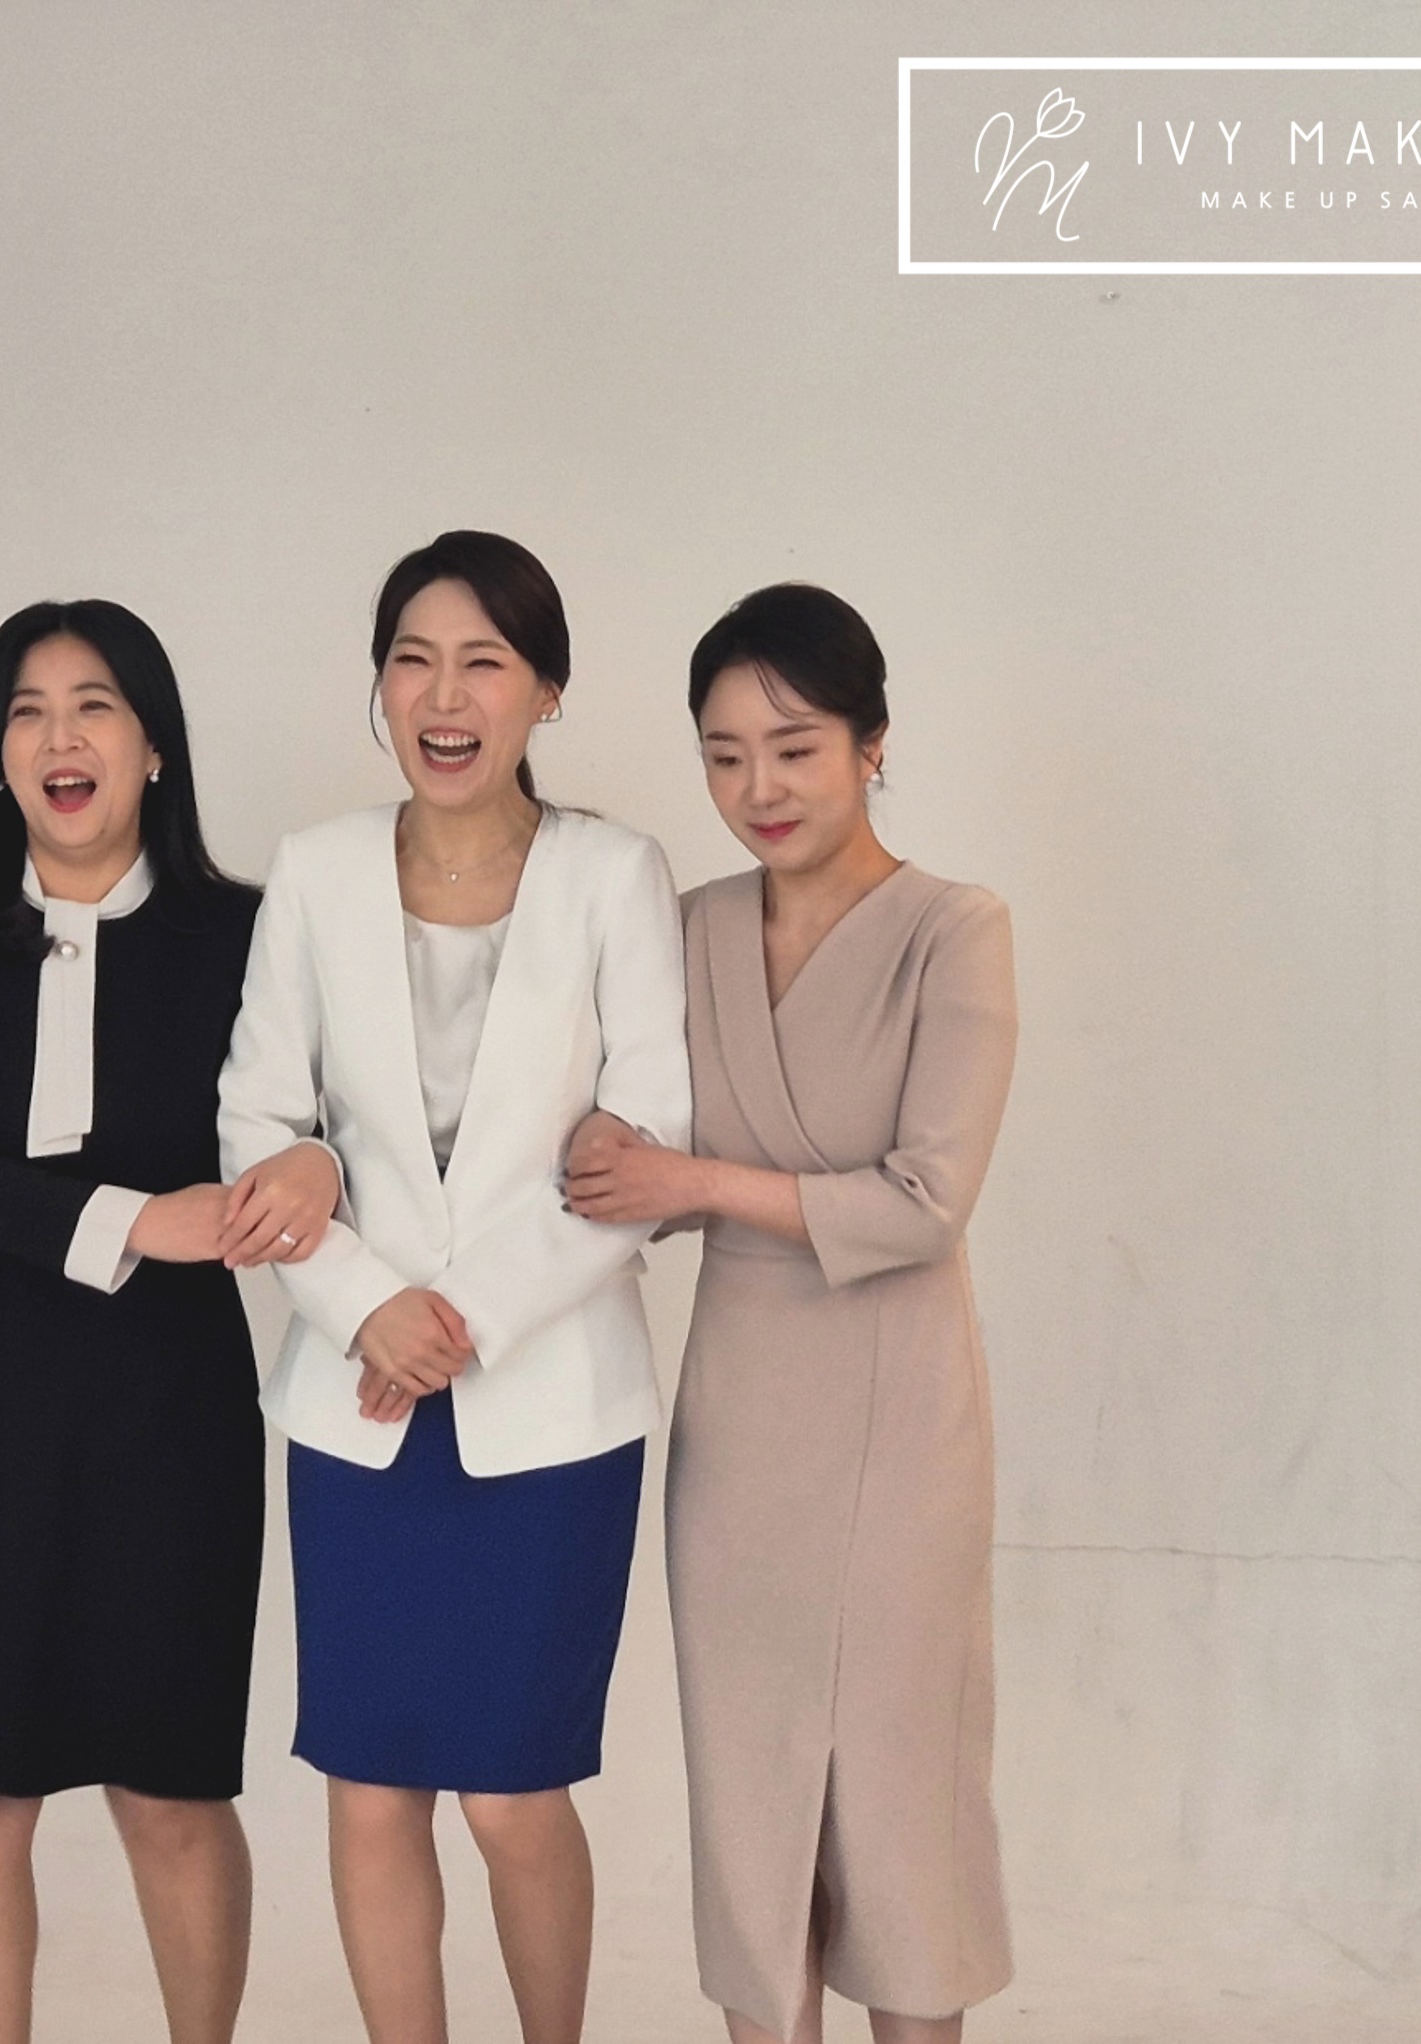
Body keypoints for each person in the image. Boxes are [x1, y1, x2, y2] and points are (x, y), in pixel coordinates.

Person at [217, 531, 691, 2044]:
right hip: (354, 1409)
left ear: (545, 690)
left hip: (548, 1406)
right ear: (378, 686)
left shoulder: (615, 876)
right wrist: (367, 1305)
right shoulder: (315, 871)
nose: (444, 695)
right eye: (412, 660)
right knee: (368, 1790)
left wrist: (461, 1319)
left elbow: (645, 1142)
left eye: (484, 661)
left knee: (511, 1795)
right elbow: (256, 1120)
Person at [0, 598, 338, 2044]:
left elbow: (320, 1125)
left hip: (165, 1397)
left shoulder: (249, 933)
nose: (58, 737)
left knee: (170, 1782)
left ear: (154, 746)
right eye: (26, 711)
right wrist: (137, 1218)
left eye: (93, 706)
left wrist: (314, 1165)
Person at [567, 584, 1017, 2044]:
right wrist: (612, 1163)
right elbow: (627, 1162)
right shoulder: (687, 929)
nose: (757, 786)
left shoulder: (954, 930)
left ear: (872, 744)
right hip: (741, 1421)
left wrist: (688, 1179)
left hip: (900, 1420)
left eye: (795, 746)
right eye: (723, 754)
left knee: (900, 1801)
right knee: (751, 1796)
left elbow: (924, 1203)